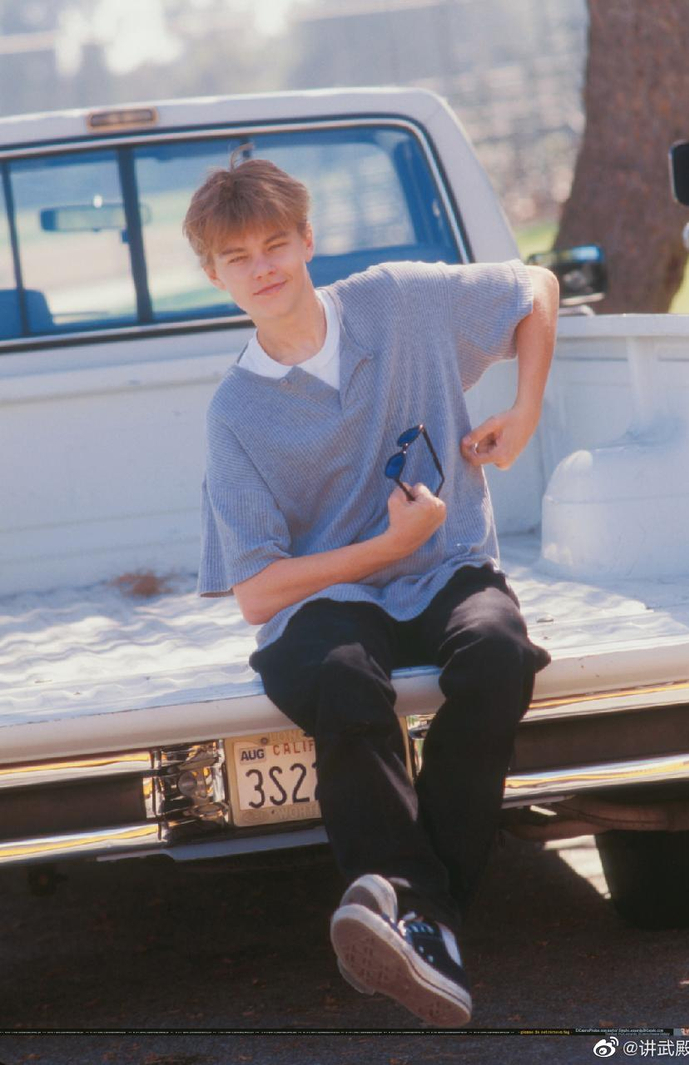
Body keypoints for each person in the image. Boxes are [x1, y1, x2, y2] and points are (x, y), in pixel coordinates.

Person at [184, 151, 557, 1027]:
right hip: (326, 604)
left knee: (499, 653)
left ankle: (415, 916)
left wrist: (525, 409)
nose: (263, 268)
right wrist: (385, 546)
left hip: (446, 566)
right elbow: (257, 594)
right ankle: (429, 917)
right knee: (343, 679)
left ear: (308, 240)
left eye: (276, 244)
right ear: (213, 274)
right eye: (238, 257)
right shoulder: (235, 412)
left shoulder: (396, 300)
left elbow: (534, 288)